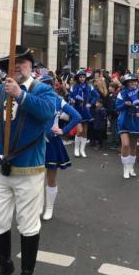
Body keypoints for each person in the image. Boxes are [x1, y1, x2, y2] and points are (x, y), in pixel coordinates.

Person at [0, 45, 57, 275]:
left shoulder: (43, 90)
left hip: (29, 169)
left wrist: (20, 94)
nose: (17, 67)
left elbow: (48, 113)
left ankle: (27, 274)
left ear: (31, 66)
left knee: (28, 225)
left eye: (23, 62)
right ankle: (4, 262)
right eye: (12, 63)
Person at [39, 75, 80, 221]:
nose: (47, 88)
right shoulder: (33, 99)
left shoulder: (58, 100)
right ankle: (36, 206)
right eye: (43, 85)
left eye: (50, 85)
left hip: (52, 142)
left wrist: (63, 130)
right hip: (34, 142)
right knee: (33, 177)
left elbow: (76, 116)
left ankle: (49, 208)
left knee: (51, 177)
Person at [69, 70, 99, 158]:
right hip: (77, 110)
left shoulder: (89, 86)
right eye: (80, 77)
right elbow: (70, 96)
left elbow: (97, 95)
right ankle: (76, 149)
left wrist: (91, 103)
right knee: (79, 131)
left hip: (86, 110)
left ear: (85, 78)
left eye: (83, 77)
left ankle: (82, 150)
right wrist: (71, 99)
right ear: (78, 78)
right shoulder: (73, 86)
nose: (82, 78)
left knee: (85, 132)